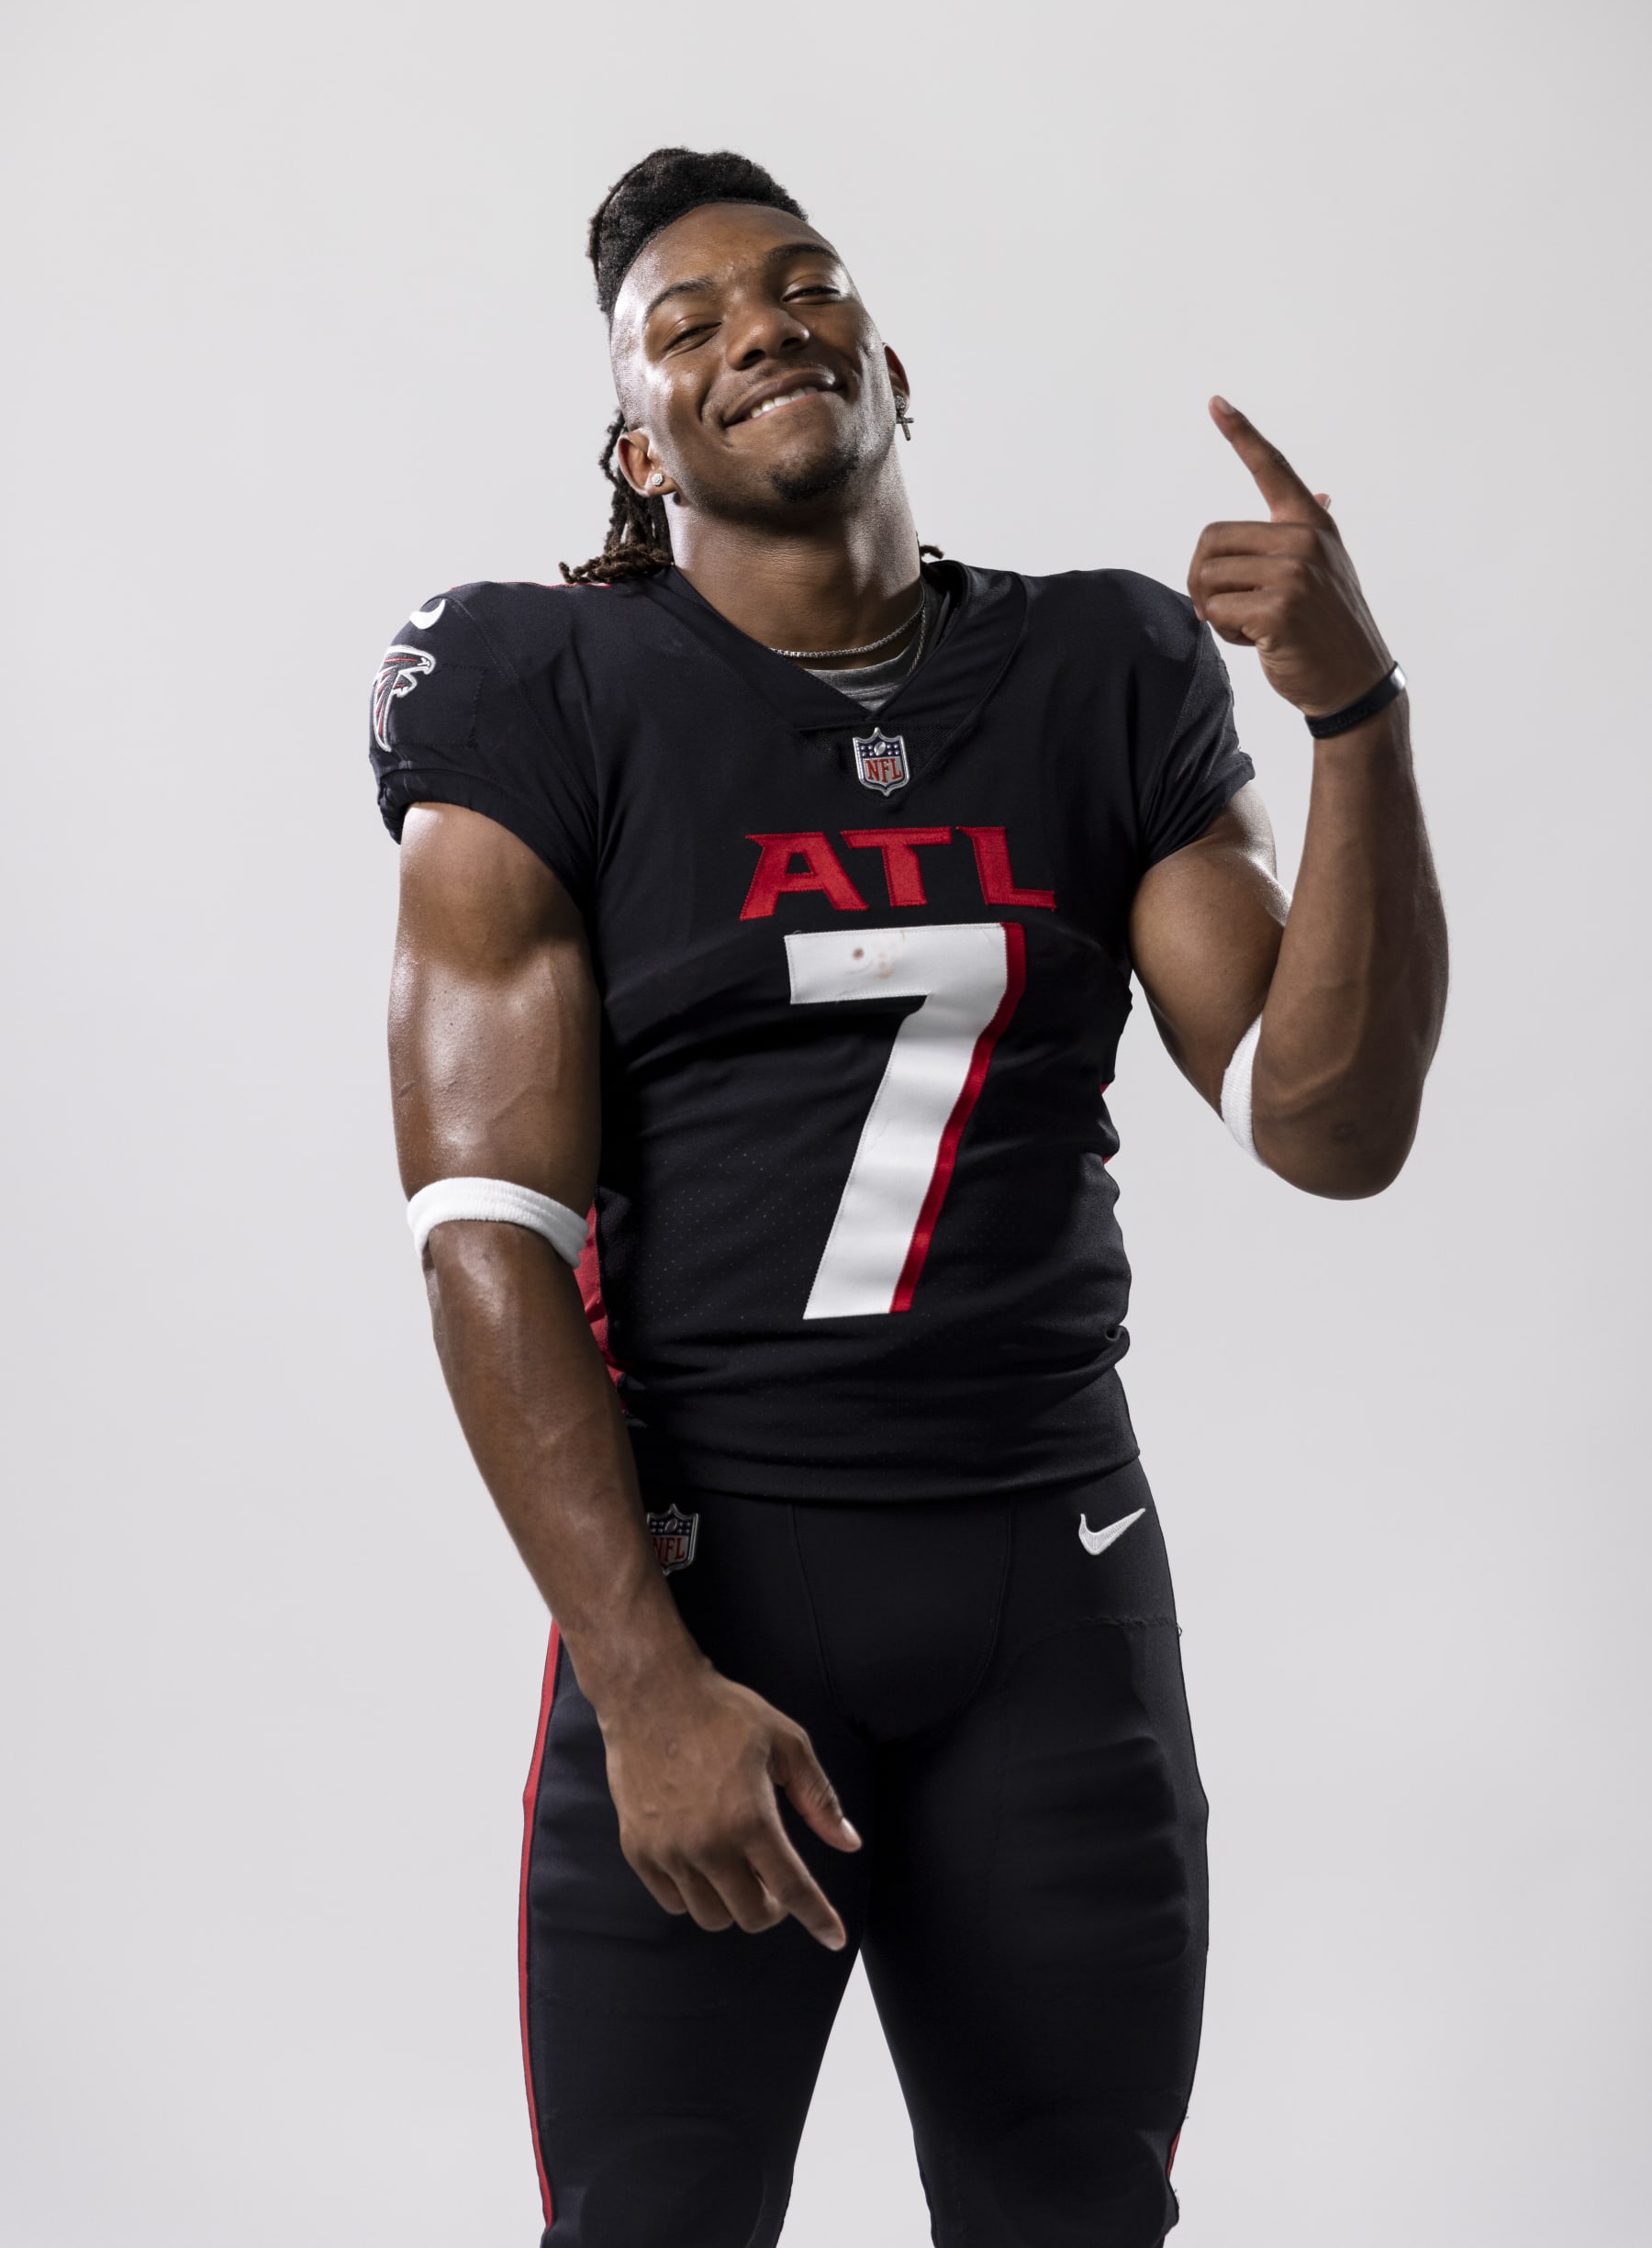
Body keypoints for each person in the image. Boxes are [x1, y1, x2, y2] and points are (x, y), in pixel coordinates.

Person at [370, 146, 1447, 2248]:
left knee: (1075, 2217)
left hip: (1054, 1578)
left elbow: (1328, 1124)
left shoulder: (1101, 667)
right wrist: (642, 1679)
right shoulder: (539, 686)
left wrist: (1356, 714)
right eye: (686, 324)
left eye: (802, 285)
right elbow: (484, 1231)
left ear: (891, 363)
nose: (759, 326)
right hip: (711, 1587)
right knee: (652, 2223)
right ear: (635, 444)